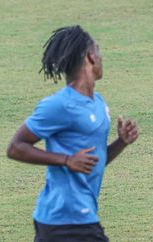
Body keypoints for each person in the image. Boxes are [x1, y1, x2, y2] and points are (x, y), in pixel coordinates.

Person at [7, 26, 139, 242]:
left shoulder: (98, 104)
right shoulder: (59, 105)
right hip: (65, 219)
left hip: (78, 215)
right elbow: (16, 147)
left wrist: (121, 143)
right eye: (98, 50)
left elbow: (93, 161)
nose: (101, 56)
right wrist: (66, 160)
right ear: (90, 57)